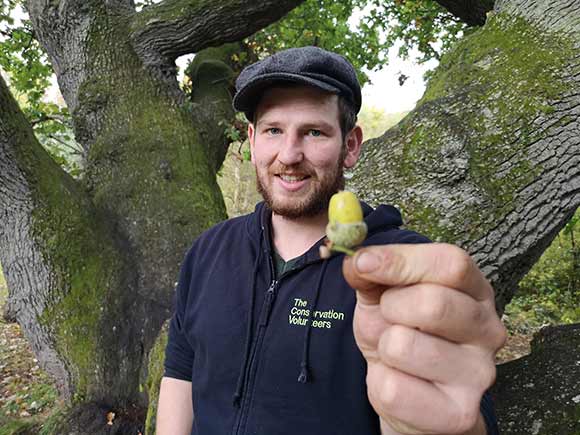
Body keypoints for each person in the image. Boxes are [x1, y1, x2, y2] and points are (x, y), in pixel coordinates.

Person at [156, 46, 506, 435]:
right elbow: (181, 371)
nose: (289, 155)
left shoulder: (404, 268)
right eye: (274, 130)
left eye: (314, 132)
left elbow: (457, 413)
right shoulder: (208, 252)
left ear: (351, 146)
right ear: (253, 140)